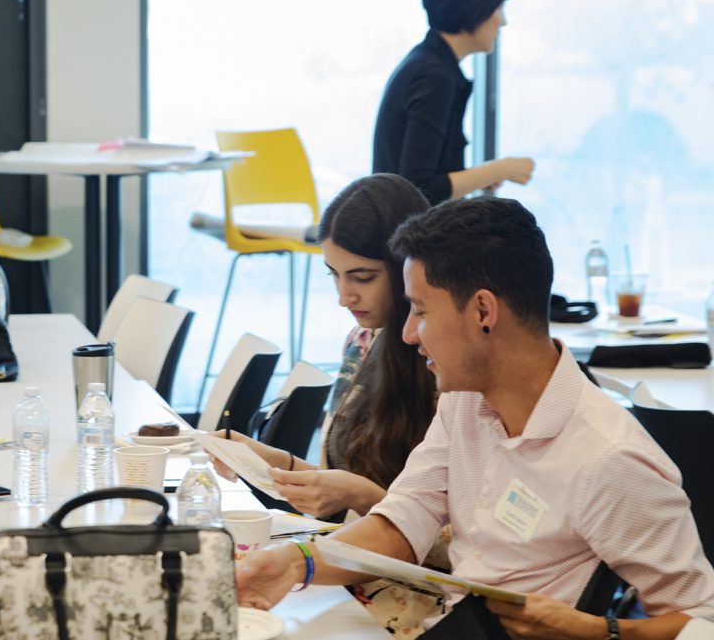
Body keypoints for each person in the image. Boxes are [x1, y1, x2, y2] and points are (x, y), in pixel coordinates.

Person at [237, 196, 714, 639]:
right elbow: (405, 521)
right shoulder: (465, 400)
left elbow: (702, 618)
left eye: (420, 311)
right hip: (454, 621)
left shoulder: (610, 457)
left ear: (483, 310)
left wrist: (600, 631)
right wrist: (295, 564)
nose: (406, 334)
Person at [210, 174, 445, 634]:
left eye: (362, 277)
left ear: (408, 269)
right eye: (335, 276)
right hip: (341, 568)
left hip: (408, 596)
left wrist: (361, 496)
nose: (344, 297)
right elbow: (340, 490)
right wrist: (271, 462)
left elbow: (461, 549)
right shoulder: (361, 343)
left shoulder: (445, 368)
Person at [372, 0, 534, 205]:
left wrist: (481, 175)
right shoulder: (433, 76)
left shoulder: (428, 63)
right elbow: (417, 189)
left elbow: (422, 179)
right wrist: (499, 170)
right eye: (499, 7)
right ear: (474, 6)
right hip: (404, 242)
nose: (503, 21)